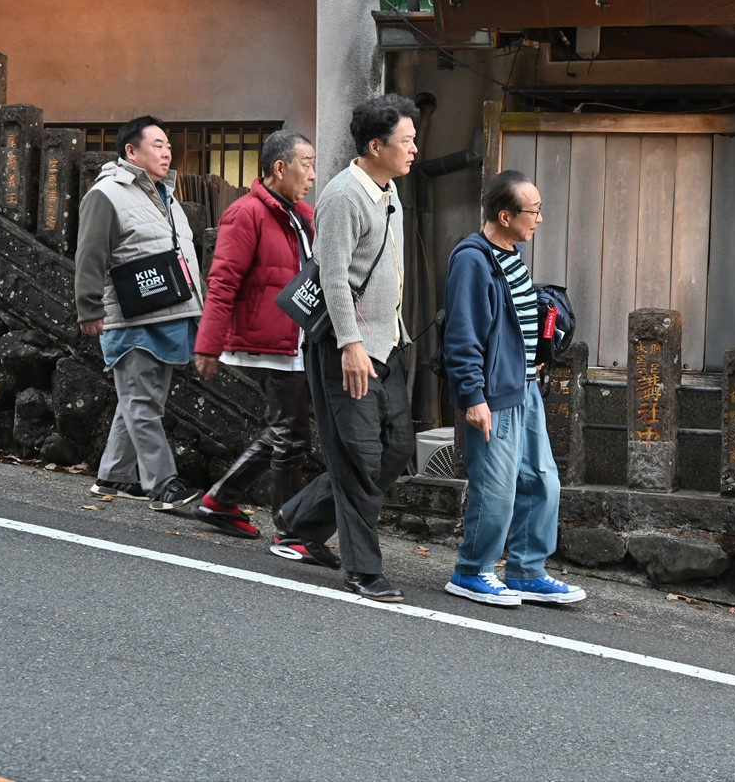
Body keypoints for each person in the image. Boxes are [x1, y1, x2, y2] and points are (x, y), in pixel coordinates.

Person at [272, 94, 419, 603]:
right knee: (358, 456)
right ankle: (363, 570)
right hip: (346, 348)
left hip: (389, 342)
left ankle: (297, 519)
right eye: (407, 141)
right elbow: (332, 276)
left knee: (398, 447)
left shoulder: (389, 191)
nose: (414, 149)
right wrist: (351, 345)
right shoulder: (342, 196)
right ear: (375, 146)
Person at [441, 169, 586, 607]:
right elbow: (462, 335)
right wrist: (473, 397)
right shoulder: (473, 258)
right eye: (533, 210)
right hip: (494, 395)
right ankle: (471, 570)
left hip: (525, 388)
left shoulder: (510, 254)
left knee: (543, 481)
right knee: (497, 487)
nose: (539, 218)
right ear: (505, 215)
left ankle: (526, 571)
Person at [75, 115, 205, 512]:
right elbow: (90, 252)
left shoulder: (166, 196)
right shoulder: (107, 193)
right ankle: (163, 485)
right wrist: (89, 307)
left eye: (169, 145)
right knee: (142, 403)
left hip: (167, 315)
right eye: (158, 145)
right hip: (132, 318)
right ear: (131, 151)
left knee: (140, 400)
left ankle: (114, 475)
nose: (167, 152)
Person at [192, 130, 317, 541]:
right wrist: (208, 344)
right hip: (268, 343)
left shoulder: (302, 215)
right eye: (307, 163)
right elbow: (223, 280)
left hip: (296, 339)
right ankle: (289, 530)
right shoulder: (245, 213)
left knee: (285, 429)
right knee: (292, 436)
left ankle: (221, 499)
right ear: (279, 168)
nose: (313, 174)